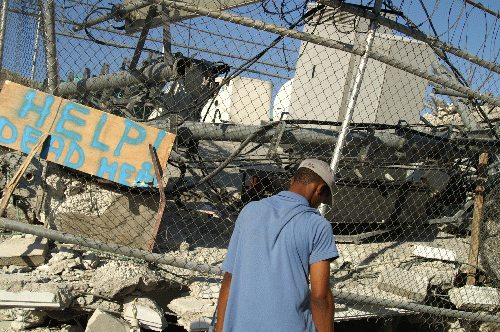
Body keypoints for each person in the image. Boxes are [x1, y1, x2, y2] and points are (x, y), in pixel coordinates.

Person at [216, 158, 338, 332]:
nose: (319, 204)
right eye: (323, 199)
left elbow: (229, 278)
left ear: (292, 180)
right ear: (320, 190)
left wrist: (220, 328)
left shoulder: (249, 211)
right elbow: (320, 298)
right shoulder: (317, 226)